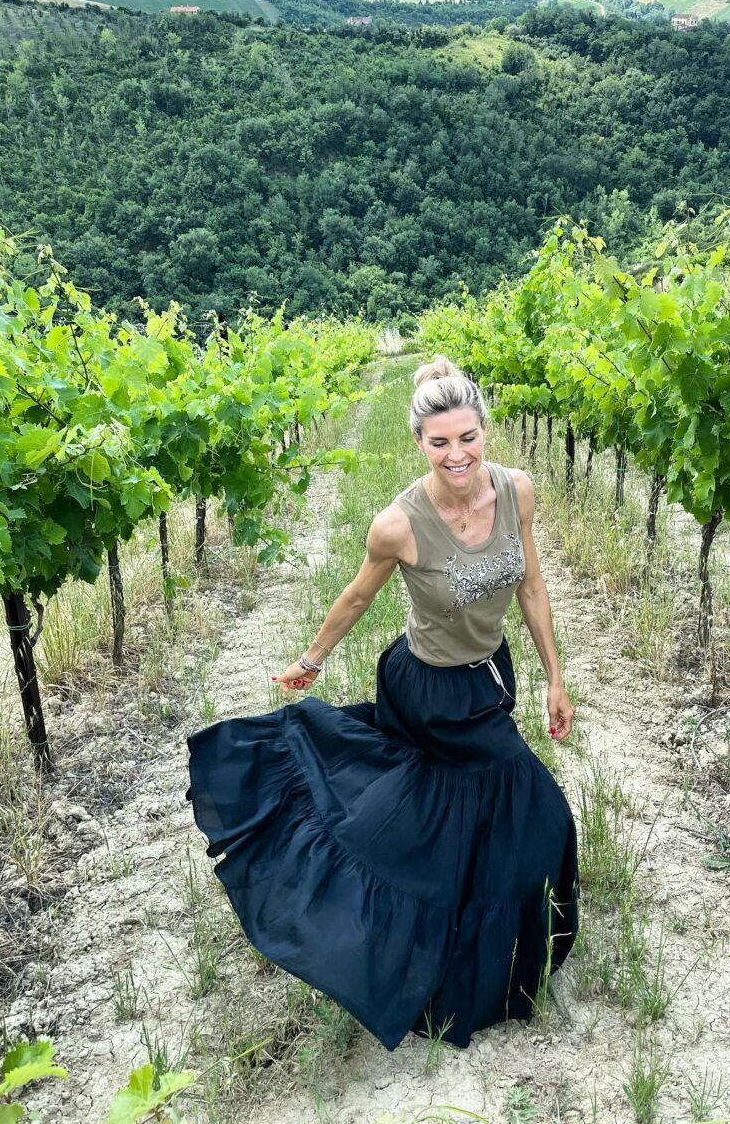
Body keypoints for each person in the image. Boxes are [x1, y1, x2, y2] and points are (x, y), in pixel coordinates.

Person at [186, 356, 579, 1051]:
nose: (457, 454)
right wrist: (311, 660)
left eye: (468, 437)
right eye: (439, 442)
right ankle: (459, 960)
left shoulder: (518, 492)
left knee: (460, 806)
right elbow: (359, 596)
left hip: (489, 675)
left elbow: (532, 585)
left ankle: (461, 922)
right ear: (418, 443)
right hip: (429, 686)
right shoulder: (398, 523)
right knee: (537, 807)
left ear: (485, 430)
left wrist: (554, 675)